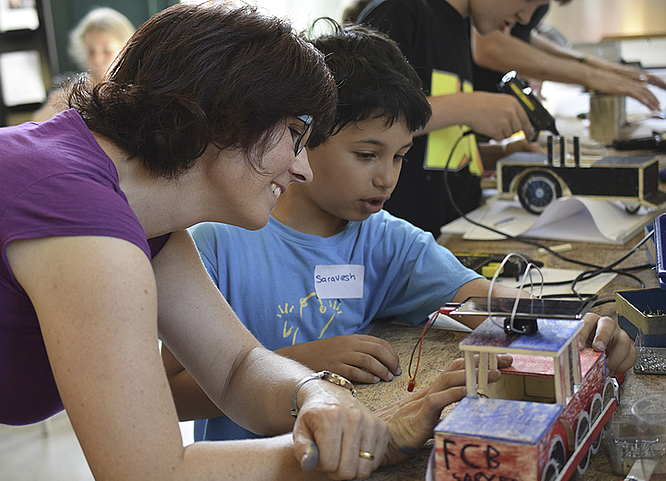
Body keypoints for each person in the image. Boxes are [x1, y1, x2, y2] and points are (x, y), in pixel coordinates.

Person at [0, 4, 501, 481]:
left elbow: (238, 367)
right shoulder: (83, 224)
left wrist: (313, 393)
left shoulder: (137, 212)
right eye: (295, 136)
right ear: (229, 118)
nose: (299, 165)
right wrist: (366, 446)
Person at [162, 20, 637, 443]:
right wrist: (303, 360)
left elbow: (489, 303)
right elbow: (171, 394)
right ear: (301, 141)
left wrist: (578, 332)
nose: (387, 177)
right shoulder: (217, 243)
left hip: (351, 462)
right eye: (367, 155)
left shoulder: (385, 240)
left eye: (400, 155)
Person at [354, 0, 560, 237]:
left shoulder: (460, 27)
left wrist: (501, 155)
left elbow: (430, 150)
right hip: (399, 243)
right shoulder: (401, 10)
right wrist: (469, 106)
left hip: (452, 236)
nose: (526, 18)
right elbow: (365, 122)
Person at [471, 4, 666, 111]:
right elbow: (491, 46)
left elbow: (522, 36)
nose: (526, 18)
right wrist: (592, 76)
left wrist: (593, 65)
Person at [31, 7, 135, 122]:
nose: (97, 58)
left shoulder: (133, 90)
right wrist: (57, 105)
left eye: (107, 51)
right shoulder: (74, 90)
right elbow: (35, 123)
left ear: (126, 49)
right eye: (91, 51)